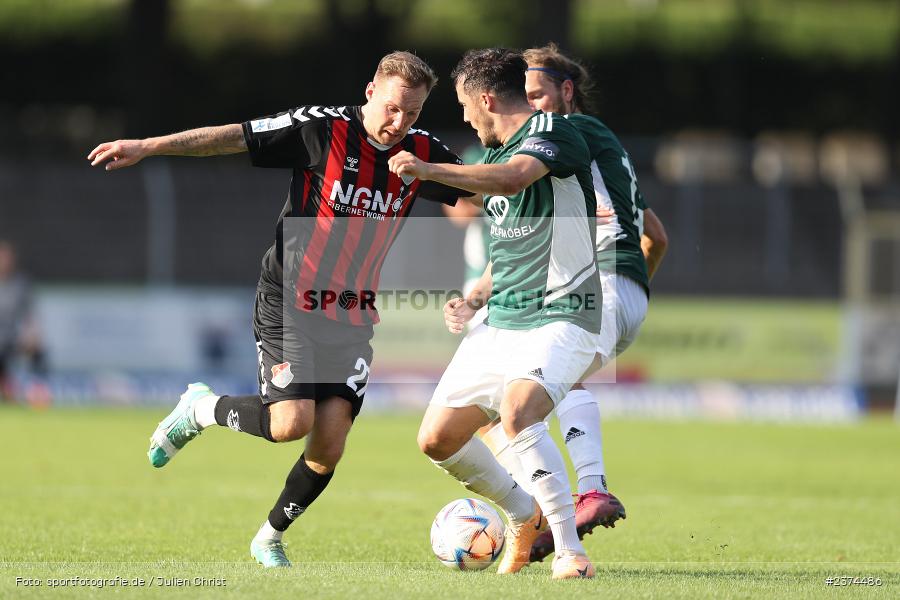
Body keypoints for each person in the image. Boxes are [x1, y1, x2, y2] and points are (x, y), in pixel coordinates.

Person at [88, 51, 469, 568]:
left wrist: (550, 192)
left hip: (353, 313)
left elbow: (480, 192)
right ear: (370, 92)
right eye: (393, 108)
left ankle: (268, 536)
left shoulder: (422, 153)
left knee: (328, 445)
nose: (400, 123)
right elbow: (233, 135)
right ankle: (200, 409)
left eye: (414, 114)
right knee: (289, 422)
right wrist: (147, 147)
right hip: (291, 297)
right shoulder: (321, 129)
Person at [445, 43, 670, 564]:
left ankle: (577, 498)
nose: (529, 108)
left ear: (567, 93)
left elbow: (513, 189)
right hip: (620, 287)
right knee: (516, 398)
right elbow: (655, 236)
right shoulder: (605, 147)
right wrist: (631, 295)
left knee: (519, 403)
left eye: (536, 95)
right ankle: (556, 502)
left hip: (593, 281)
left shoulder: (567, 134)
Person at [389, 48, 601, 579]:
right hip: (503, 318)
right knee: (436, 439)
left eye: (464, 106)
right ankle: (524, 514)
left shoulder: (553, 132)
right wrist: (475, 297)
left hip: (563, 313)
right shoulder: (501, 151)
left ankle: (571, 550)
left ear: (485, 99)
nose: (463, 118)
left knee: (519, 412)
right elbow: (508, 249)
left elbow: (512, 180)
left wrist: (427, 169)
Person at [0, 240, 47, 403]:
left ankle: (37, 392)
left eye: (6, 257)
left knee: (38, 351)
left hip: (12, 339)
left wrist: (32, 334)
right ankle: (7, 391)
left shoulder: (20, 284)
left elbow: (30, 314)